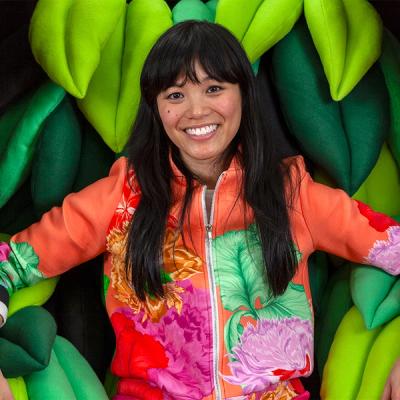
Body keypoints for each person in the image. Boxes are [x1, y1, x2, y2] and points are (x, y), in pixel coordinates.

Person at [0, 20, 399, 400]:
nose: (195, 111)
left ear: (243, 94)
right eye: (175, 95)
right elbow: (12, 264)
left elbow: (392, 246)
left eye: (213, 88)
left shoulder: (292, 195)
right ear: (156, 109)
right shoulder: (120, 198)